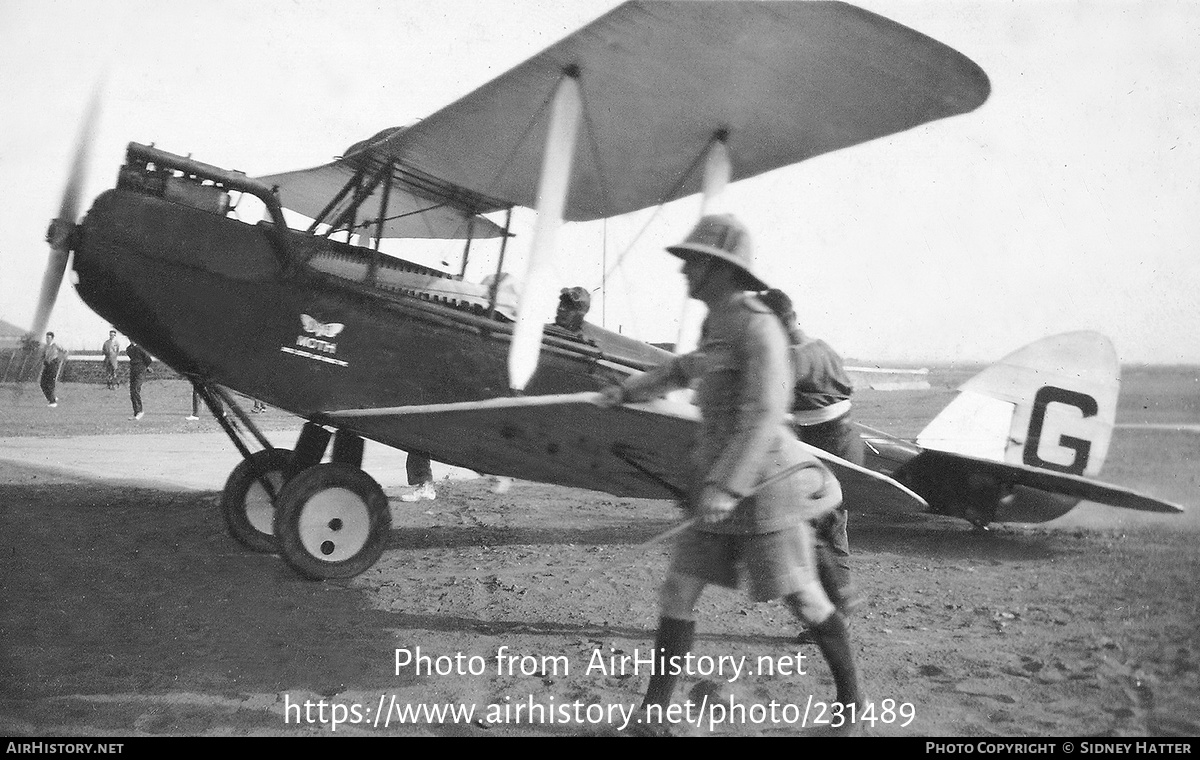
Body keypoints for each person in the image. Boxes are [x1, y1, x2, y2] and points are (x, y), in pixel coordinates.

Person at [598, 214, 865, 735]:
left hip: (764, 489)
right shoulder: (716, 324)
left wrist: (728, 486)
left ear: (720, 269)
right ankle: (653, 718)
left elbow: (765, 414)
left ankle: (853, 708)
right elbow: (683, 370)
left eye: (692, 262)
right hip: (717, 487)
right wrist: (627, 392)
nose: (683, 273)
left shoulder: (760, 325)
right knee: (677, 592)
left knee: (806, 600)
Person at [758, 288, 864, 626]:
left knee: (818, 527)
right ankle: (839, 603)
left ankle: (838, 610)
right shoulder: (822, 348)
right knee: (828, 526)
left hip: (826, 445)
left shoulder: (791, 358)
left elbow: (769, 401)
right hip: (845, 438)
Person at [126, 342, 154, 420]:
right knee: (132, 391)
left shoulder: (141, 348)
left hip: (140, 371)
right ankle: (136, 412)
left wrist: (145, 367)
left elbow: (148, 360)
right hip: (133, 371)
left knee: (135, 389)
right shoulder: (129, 349)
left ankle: (139, 411)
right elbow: (132, 357)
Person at [39, 332, 66, 407]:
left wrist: (59, 359)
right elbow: (43, 356)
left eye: (49, 338)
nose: (47, 339)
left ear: (52, 339)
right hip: (47, 365)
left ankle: (52, 402)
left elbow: (64, 351)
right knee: (42, 383)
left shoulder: (55, 345)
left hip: (53, 365)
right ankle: (51, 398)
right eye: (46, 338)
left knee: (50, 383)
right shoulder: (45, 347)